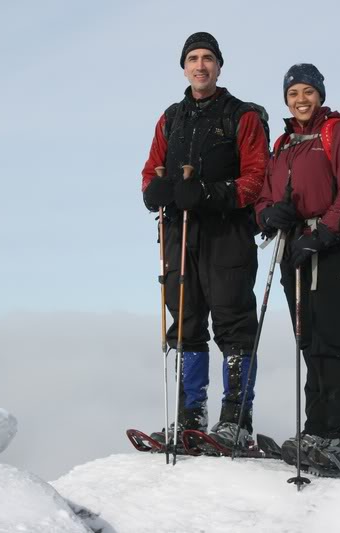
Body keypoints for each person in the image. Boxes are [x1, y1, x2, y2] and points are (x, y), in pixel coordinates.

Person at [140, 32, 269, 449]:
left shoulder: (242, 116)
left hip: (227, 232)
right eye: (193, 58)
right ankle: (190, 418)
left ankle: (236, 420)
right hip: (178, 232)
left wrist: (213, 193)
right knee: (186, 319)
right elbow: (150, 170)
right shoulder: (170, 118)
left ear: (219, 66)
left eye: (208, 58)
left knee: (233, 322)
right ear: (184, 67)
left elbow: (257, 178)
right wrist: (152, 193)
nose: (200, 65)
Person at [254, 63, 340, 472]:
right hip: (293, 251)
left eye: (307, 91)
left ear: (320, 93)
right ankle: (316, 430)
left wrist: (323, 233)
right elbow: (264, 197)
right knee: (308, 341)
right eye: (293, 93)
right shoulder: (283, 142)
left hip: (332, 250)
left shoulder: (339, 132)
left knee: (331, 343)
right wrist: (270, 216)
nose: (301, 99)